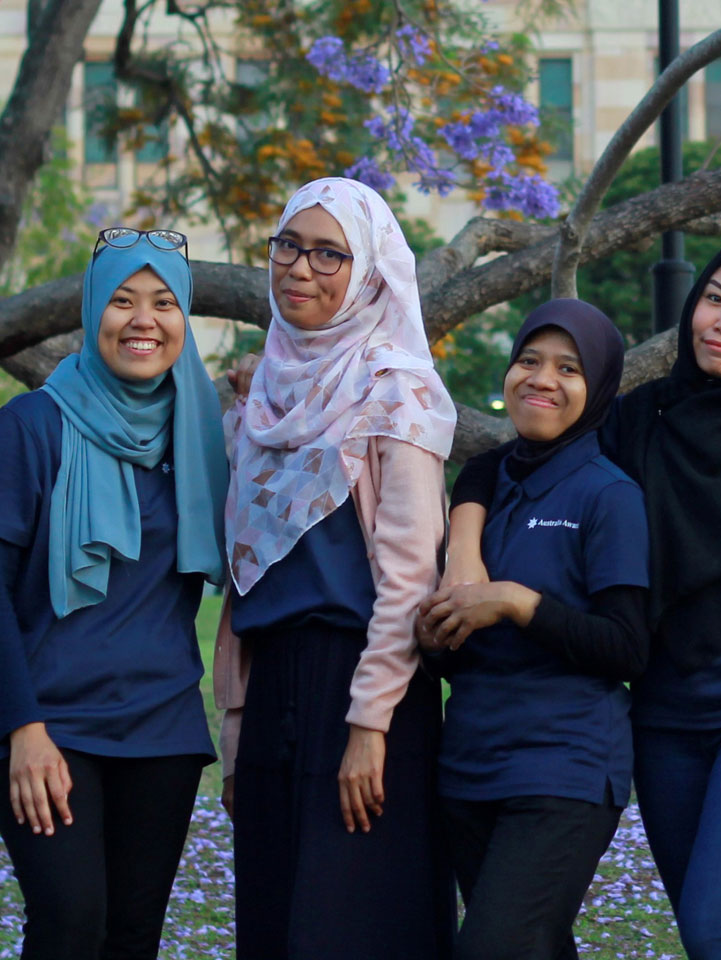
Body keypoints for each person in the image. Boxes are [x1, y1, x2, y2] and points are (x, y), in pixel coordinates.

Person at [440, 230, 721, 960]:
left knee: (716, 923)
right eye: (714, 299)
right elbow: (507, 458)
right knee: (712, 932)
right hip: (663, 712)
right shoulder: (641, 420)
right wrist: (464, 546)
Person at [0, 228, 229, 959]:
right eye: (122, 301)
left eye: (165, 303)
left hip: (162, 728)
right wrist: (22, 729)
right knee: (69, 925)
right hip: (50, 725)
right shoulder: (30, 426)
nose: (144, 320)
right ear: (90, 314)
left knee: (132, 938)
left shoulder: (204, 435)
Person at [218, 177, 460, 959]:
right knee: (273, 921)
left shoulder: (398, 391)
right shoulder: (263, 397)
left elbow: (408, 577)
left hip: (366, 689)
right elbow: (246, 574)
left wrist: (368, 726)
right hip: (274, 691)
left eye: (329, 254)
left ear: (369, 275)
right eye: (289, 245)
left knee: (350, 924)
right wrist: (240, 725)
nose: (300, 268)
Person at [416, 299, 649, 960]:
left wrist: (519, 603)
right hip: (469, 766)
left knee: (491, 949)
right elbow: (460, 656)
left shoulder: (610, 497)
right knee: (535, 947)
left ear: (597, 386)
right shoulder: (488, 487)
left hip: (564, 770)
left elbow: (627, 647)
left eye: (568, 368)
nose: (542, 379)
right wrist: (437, 638)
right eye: (529, 360)